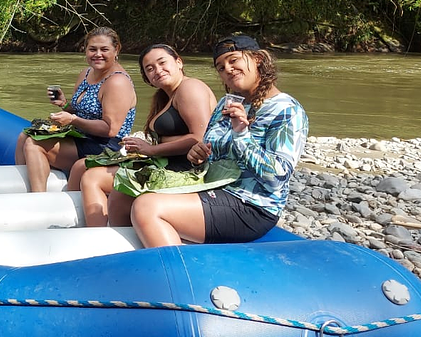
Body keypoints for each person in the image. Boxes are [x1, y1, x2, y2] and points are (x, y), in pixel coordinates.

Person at [131, 34, 309, 247]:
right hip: (213, 189)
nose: (228, 69)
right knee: (132, 191)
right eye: (221, 67)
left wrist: (242, 135)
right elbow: (208, 150)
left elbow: (277, 177)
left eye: (233, 60)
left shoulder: (286, 110)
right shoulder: (227, 102)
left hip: (252, 206)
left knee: (147, 207)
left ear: (258, 60)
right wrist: (197, 155)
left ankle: (184, 277)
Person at [74, 44, 215, 226]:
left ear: (178, 62)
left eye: (162, 62)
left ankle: (98, 235)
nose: (157, 70)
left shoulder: (190, 88)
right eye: (150, 69)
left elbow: (200, 138)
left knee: (93, 178)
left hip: (189, 170)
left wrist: (152, 150)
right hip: (167, 162)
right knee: (88, 172)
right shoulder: (165, 97)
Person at [14, 26, 137, 192]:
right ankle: (21, 187)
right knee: (24, 135)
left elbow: (110, 129)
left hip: (107, 145)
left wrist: (73, 120)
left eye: (104, 49)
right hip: (82, 135)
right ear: (85, 50)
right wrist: (65, 105)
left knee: (34, 144)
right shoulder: (86, 73)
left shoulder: (117, 82)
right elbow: (81, 111)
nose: (98, 54)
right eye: (92, 49)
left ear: (116, 50)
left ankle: (38, 198)